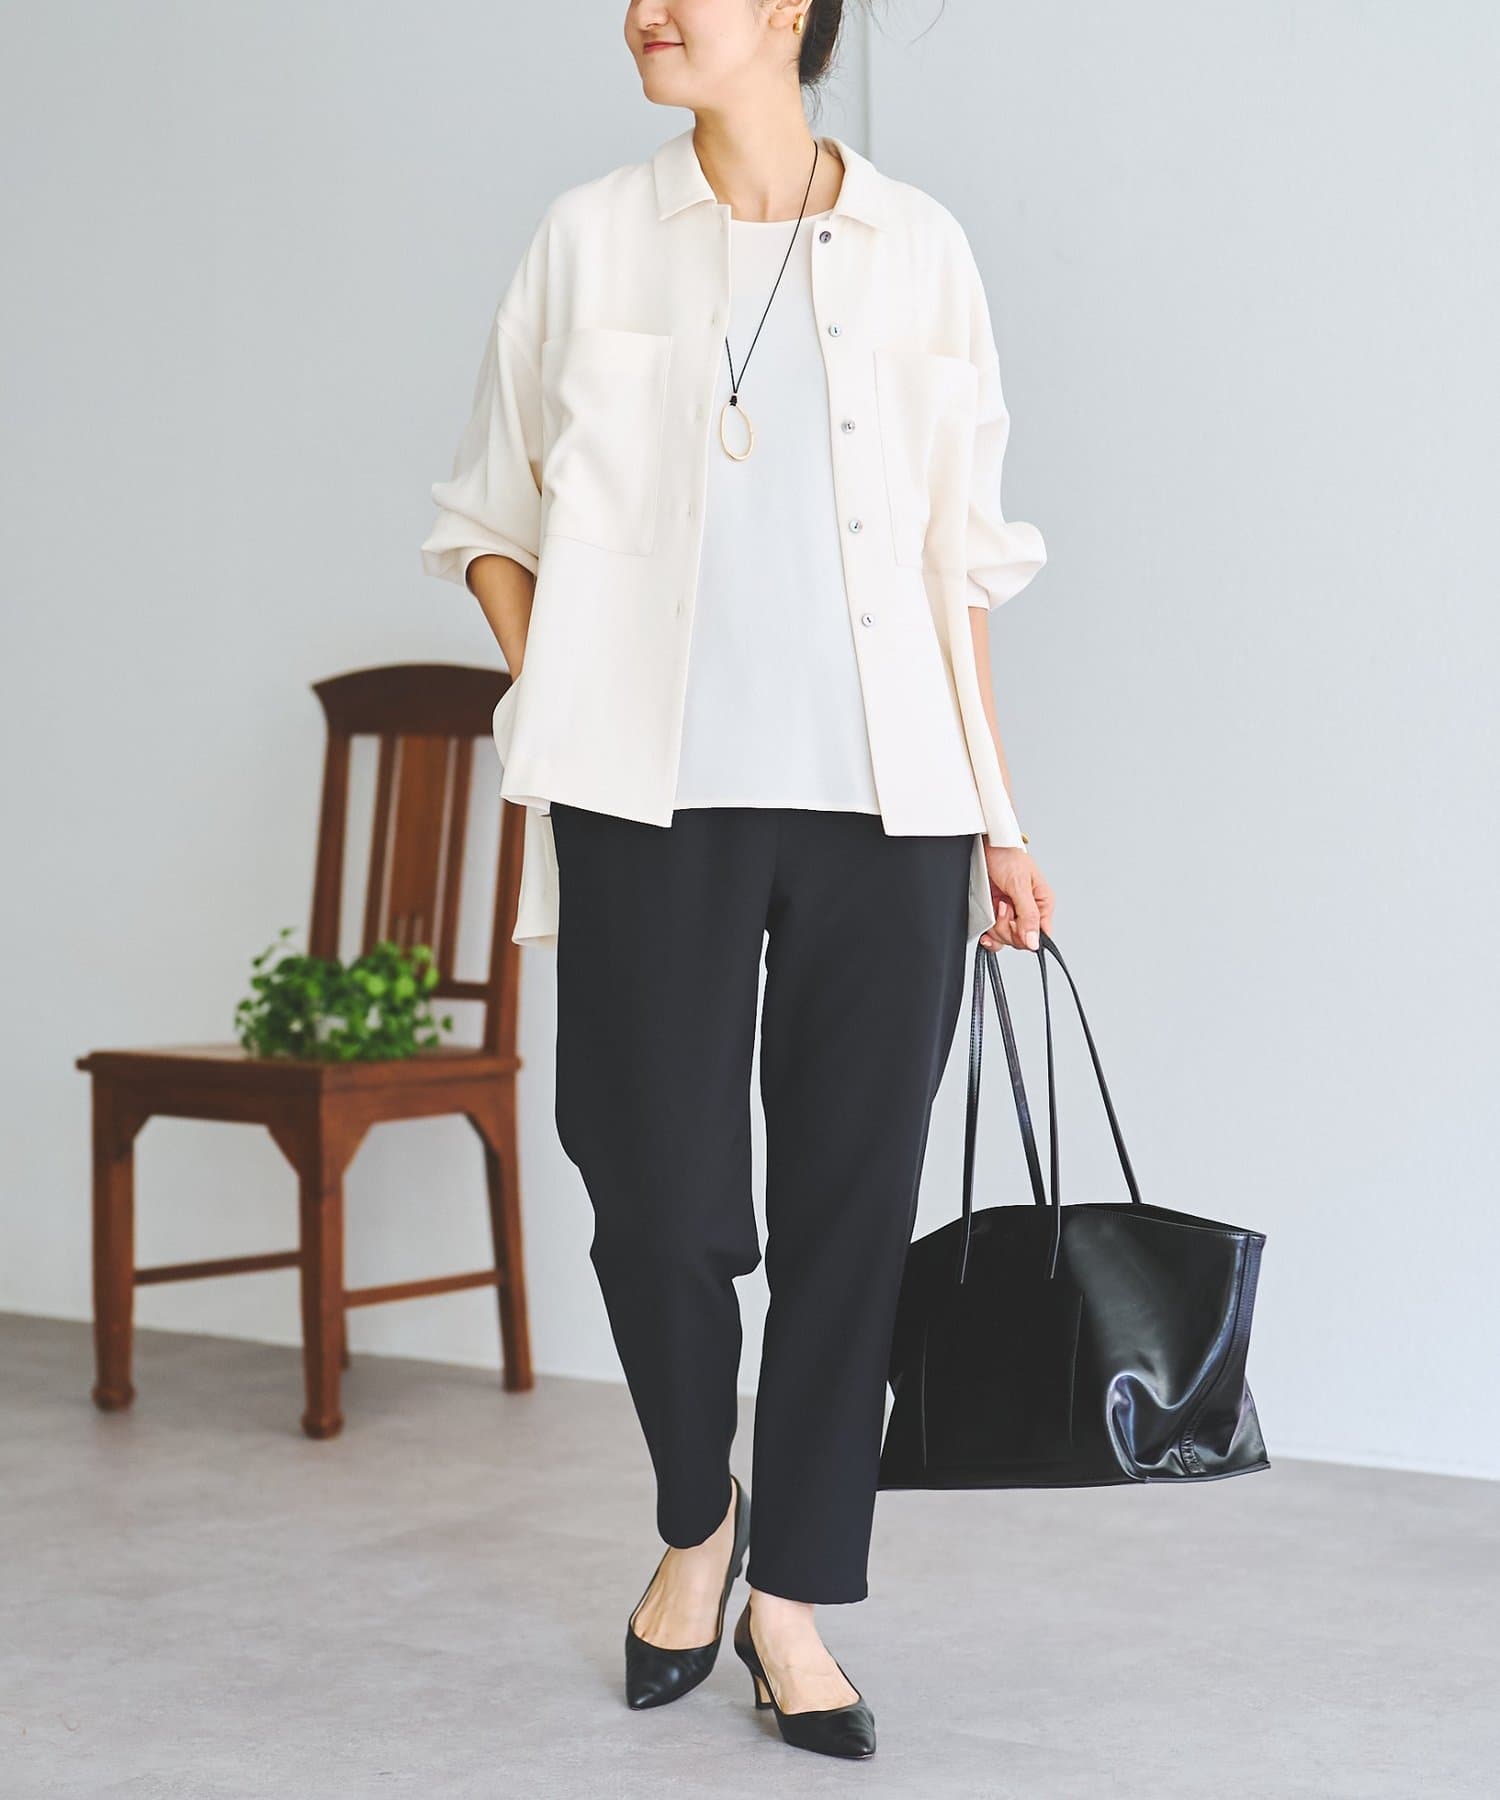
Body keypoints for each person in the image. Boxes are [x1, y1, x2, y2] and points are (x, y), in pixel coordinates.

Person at [420, 0, 1052, 1761]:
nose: (642, 13)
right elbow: (486, 520)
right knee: (656, 1194)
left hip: (893, 807)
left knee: (854, 1214)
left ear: (788, 10)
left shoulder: (922, 251)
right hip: (648, 801)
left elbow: (960, 568)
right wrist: (570, 689)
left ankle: (793, 1600)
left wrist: (1000, 818)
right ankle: (696, 1515)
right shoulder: (587, 239)